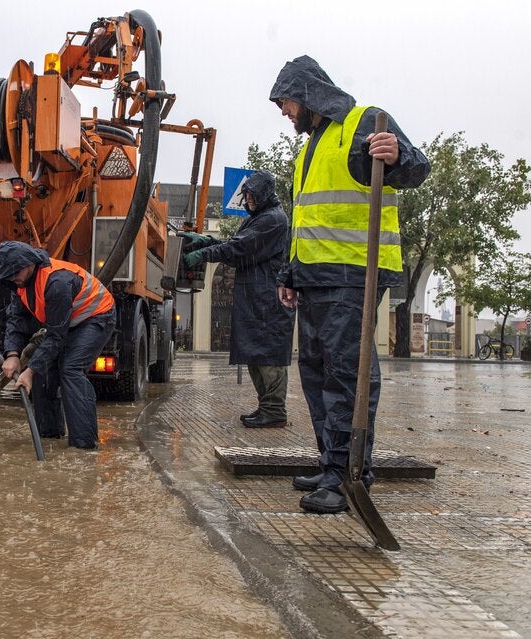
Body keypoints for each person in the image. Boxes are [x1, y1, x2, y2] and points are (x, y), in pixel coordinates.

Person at [269, 56, 431, 513]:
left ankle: (348, 476)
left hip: (354, 272)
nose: (283, 112)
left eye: (284, 102)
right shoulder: (309, 150)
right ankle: (330, 464)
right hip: (315, 277)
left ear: (305, 94)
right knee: (317, 374)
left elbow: (417, 168)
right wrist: (290, 273)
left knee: (347, 377)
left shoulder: (363, 123)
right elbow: (305, 220)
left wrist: (398, 155)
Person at [182, 170, 296, 428]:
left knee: (268, 357)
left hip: (267, 300)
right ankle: (267, 407)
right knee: (256, 355)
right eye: (246, 196)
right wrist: (207, 241)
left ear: (265, 194)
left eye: (252, 195)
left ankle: (275, 410)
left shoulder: (273, 220)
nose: (248, 201)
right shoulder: (260, 218)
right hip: (257, 297)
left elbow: (239, 248)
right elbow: (239, 244)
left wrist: (204, 252)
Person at [0, 241, 116, 450]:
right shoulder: (19, 283)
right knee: (44, 371)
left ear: (30, 264)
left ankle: (84, 445)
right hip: (66, 323)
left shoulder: (57, 281)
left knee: (70, 369)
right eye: (8, 274)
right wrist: (13, 354)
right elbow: (16, 319)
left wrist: (29, 371)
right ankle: (49, 436)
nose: (12, 277)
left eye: (15, 272)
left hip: (96, 317)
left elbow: (55, 337)